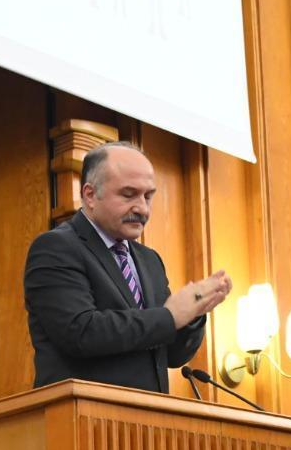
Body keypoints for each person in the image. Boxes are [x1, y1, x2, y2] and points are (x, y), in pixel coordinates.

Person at [24, 142, 232, 393]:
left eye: (148, 196)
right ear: (90, 195)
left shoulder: (150, 261)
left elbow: (172, 355)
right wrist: (170, 317)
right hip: (82, 419)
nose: (142, 208)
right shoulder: (55, 248)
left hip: (148, 424)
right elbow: (81, 332)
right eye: (128, 194)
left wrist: (194, 312)